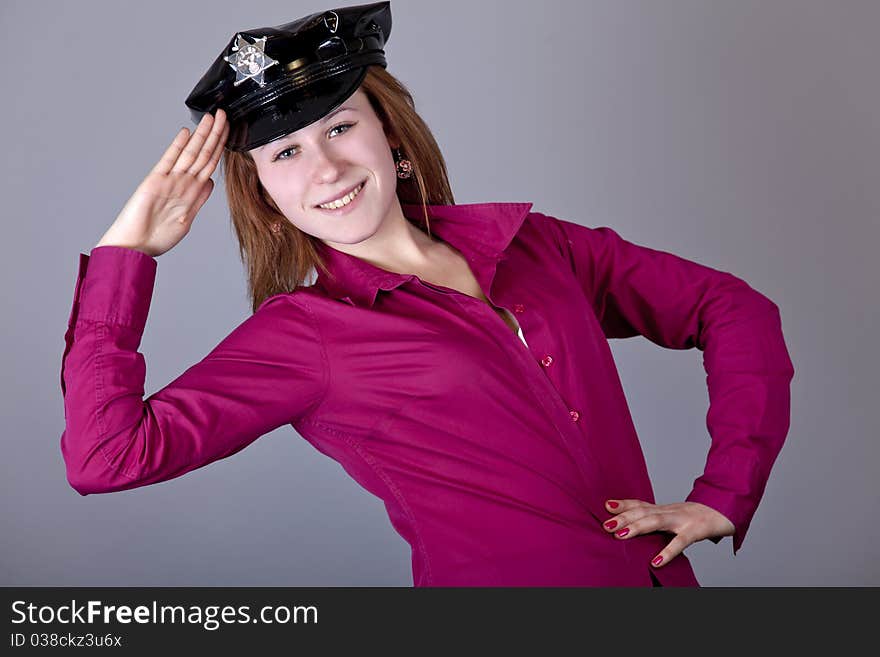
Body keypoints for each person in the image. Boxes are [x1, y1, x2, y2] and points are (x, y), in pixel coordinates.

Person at [59, 1, 795, 587]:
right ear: (266, 194)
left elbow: (732, 308)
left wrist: (725, 492)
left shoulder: (538, 245)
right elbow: (106, 456)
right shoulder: (306, 335)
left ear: (391, 136)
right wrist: (128, 254)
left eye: (340, 126)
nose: (325, 168)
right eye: (286, 151)